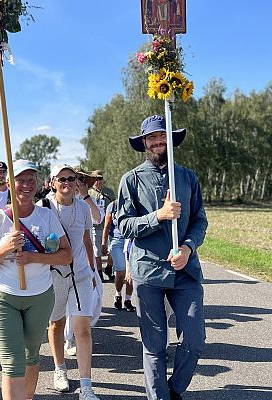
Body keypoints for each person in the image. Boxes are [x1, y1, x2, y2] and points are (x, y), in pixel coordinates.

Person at [117, 115, 207, 400]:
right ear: (144, 143)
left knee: (194, 338)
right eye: (152, 137)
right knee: (154, 345)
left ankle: (175, 388)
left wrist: (189, 248)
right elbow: (124, 225)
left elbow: (200, 221)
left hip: (185, 271)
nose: (158, 141)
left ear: (170, 140)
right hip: (148, 272)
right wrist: (159, 216)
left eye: (162, 136)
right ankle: (158, 397)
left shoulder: (188, 177)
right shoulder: (131, 180)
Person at [0, 159, 72, 400]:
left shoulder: (46, 216)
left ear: (38, 183)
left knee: (31, 358)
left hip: (39, 298)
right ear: (10, 183)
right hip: (2, 297)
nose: (26, 185)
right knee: (12, 361)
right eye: (20, 180)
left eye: (31, 180)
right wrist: (3, 249)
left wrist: (33, 257)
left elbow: (66, 255)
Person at [38, 164, 101, 400]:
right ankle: (60, 369)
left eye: (71, 178)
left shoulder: (83, 208)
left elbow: (86, 240)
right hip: (54, 274)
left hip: (81, 274)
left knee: (82, 328)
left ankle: (86, 385)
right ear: (53, 182)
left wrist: (93, 271)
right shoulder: (43, 208)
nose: (66, 182)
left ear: (77, 182)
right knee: (56, 324)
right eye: (61, 179)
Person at [101, 199, 135, 312]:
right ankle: (118, 294)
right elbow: (106, 226)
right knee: (121, 272)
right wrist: (103, 244)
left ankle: (128, 300)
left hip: (132, 241)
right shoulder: (113, 205)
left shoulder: (136, 202)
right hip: (117, 241)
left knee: (131, 274)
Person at [88, 170, 114, 282]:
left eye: (100, 178)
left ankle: (108, 268)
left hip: (109, 227)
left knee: (112, 250)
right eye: (96, 179)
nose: (98, 181)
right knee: (97, 251)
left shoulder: (109, 192)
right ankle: (99, 273)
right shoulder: (89, 193)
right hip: (96, 227)